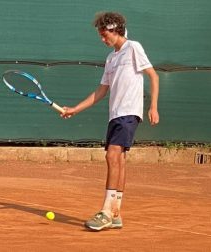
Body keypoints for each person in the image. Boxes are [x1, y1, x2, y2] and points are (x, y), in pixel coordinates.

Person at [61, 11, 159, 231]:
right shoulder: (111, 58)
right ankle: (115, 213)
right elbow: (101, 91)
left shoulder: (133, 47)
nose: (102, 39)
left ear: (116, 30)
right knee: (120, 159)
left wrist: (153, 106)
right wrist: (75, 109)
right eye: (101, 35)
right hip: (115, 114)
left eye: (105, 35)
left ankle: (105, 211)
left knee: (112, 155)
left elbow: (153, 75)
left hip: (129, 112)